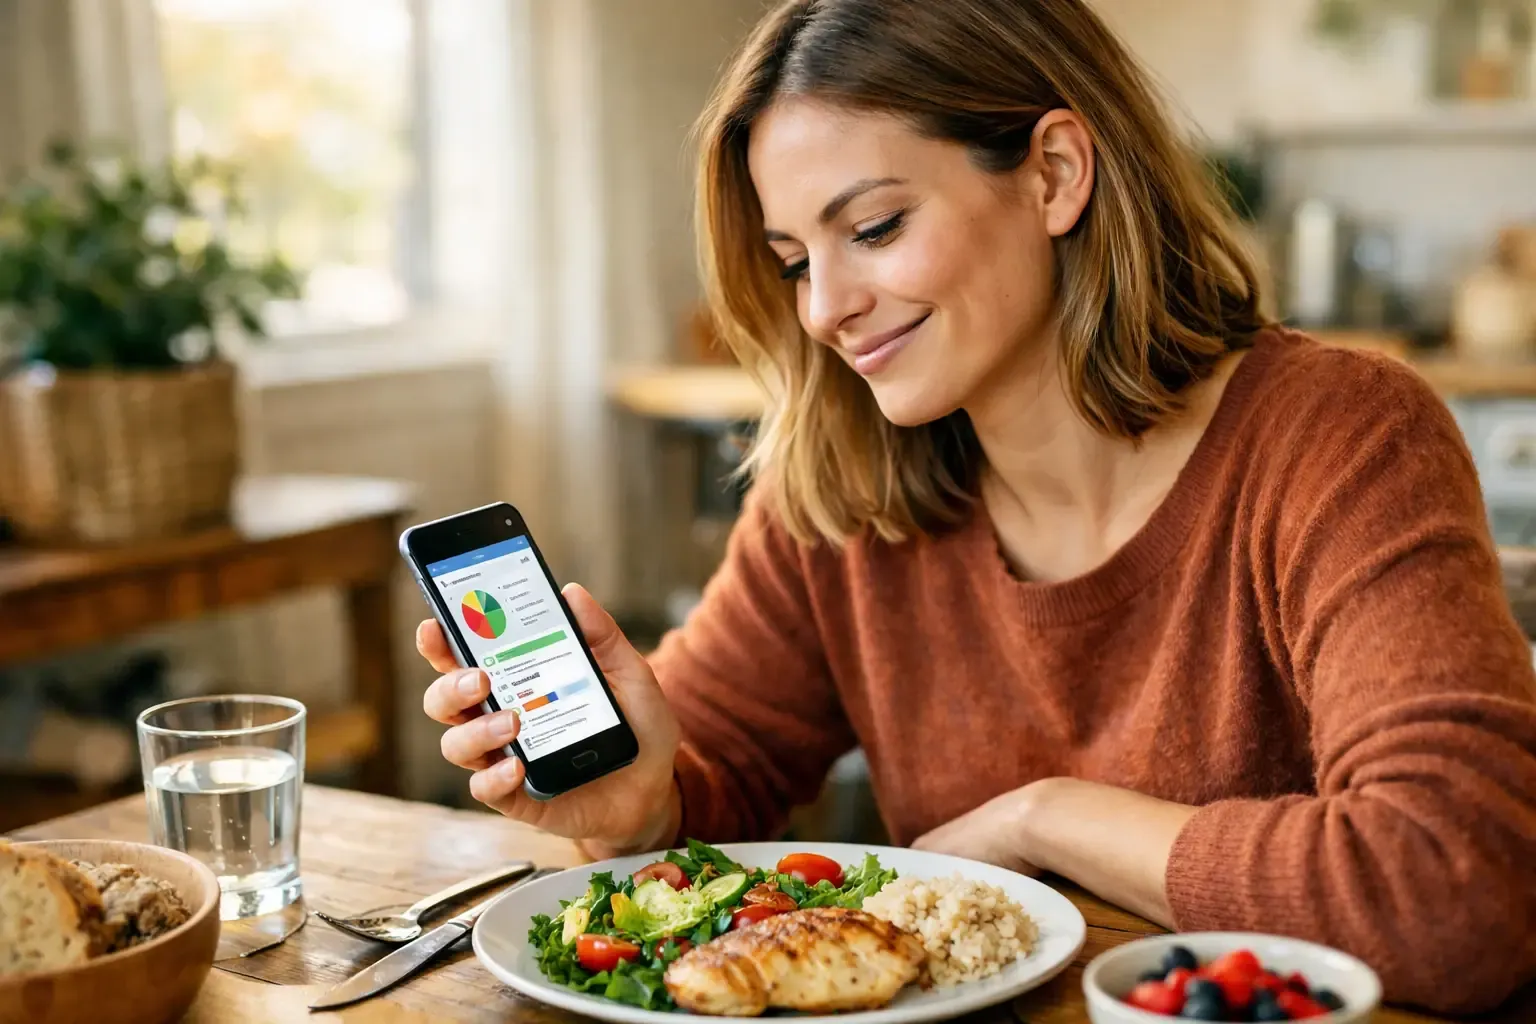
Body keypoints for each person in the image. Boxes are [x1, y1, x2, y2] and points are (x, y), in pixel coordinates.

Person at [417, 0, 1536, 1013]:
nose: (826, 310)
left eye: (875, 227)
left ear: (1053, 173)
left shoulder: (1339, 438)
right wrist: (638, 808)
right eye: (795, 258)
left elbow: (1459, 889)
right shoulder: (840, 490)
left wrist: (1043, 816)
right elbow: (712, 795)